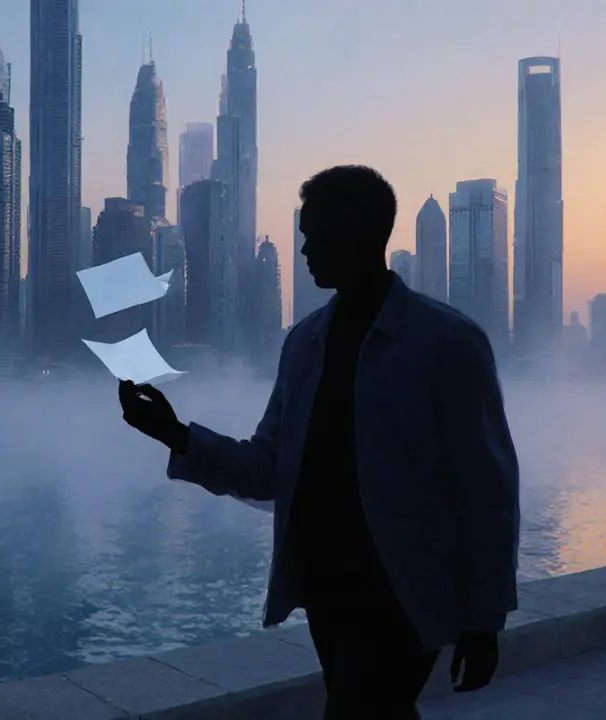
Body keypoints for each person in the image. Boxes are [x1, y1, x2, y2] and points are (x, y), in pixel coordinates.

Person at [118, 165, 520, 719]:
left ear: (360, 233)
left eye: (316, 234)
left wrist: (485, 619)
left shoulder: (447, 343)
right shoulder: (304, 343)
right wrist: (175, 434)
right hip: (326, 590)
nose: (304, 248)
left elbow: (488, 488)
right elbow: (267, 468)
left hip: (404, 591)